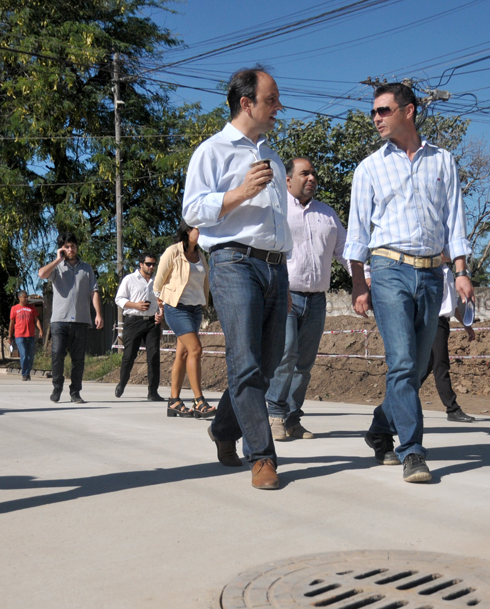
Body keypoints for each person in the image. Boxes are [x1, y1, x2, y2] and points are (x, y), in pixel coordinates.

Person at [346, 82, 473, 484]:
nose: (376, 118)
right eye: (373, 112)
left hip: (432, 273)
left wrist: (461, 270)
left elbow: (455, 219)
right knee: (401, 362)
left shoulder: (443, 162)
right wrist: (357, 284)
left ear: (409, 111)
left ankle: (380, 427)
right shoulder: (369, 168)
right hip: (388, 270)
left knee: (417, 367)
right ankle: (412, 451)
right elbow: (356, 234)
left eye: (383, 110)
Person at [182, 67, 291, 490]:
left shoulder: (273, 154)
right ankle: (262, 457)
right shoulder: (211, 151)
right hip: (234, 262)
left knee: (263, 365)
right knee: (244, 360)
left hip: (276, 267)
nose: (279, 107)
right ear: (246, 103)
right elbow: (192, 211)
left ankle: (224, 429)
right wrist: (240, 193)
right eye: (272, 99)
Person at [266, 157, 345, 442]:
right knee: (285, 355)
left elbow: (344, 251)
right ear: (287, 180)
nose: (311, 178)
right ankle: (273, 413)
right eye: (304, 173)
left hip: (316, 301)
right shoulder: (277, 209)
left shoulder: (327, 214)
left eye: (313, 173)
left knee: (304, 364)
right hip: (284, 296)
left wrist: (365, 280)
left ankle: (291, 417)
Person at [153, 224, 214, 419]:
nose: (203, 232)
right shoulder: (173, 251)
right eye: (199, 228)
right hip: (176, 308)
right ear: (188, 230)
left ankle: (174, 402)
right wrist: (160, 304)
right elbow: (158, 282)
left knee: (182, 354)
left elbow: (204, 282)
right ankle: (198, 401)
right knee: (195, 349)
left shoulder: (201, 255)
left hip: (195, 309)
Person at [39, 231, 103, 404]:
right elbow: (41, 274)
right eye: (66, 246)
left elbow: (94, 291)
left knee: (78, 359)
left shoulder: (86, 268)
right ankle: (57, 388)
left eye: (73, 245)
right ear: (62, 248)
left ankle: (75, 392)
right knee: (57, 354)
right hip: (60, 320)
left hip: (81, 320)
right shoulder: (56, 268)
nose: (70, 249)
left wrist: (98, 314)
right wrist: (58, 260)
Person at [426, 265, 477, 423]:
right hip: (431, 322)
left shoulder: (447, 273)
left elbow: (452, 305)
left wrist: (467, 326)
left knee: (423, 368)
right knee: (441, 365)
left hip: (442, 323)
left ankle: (394, 406)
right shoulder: (429, 270)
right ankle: (452, 409)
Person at [114, 253, 164, 401]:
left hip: (152, 322)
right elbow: (119, 299)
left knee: (154, 356)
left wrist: (161, 315)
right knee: (129, 355)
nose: (151, 267)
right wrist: (135, 305)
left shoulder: (158, 281)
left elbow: (162, 301)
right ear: (141, 264)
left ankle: (153, 392)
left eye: (154, 264)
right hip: (133, 320)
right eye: (148, 264)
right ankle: (122, 383)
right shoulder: (130, 279)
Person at [9, 290, 42, 381]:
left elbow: (37, 320)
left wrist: (41, 330)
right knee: (23, 355)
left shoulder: (32, 307)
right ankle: (25, 374)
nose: (26, 298)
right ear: (19, 298)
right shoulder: (14, 308)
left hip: (30, 335)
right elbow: (11, 323)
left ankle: (27, 372)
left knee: (30, 356)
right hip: (19, 335)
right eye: (24, 297)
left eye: (27, 296)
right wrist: (9, 336)